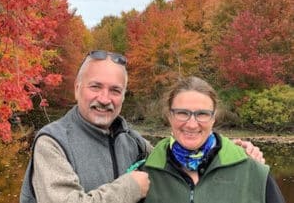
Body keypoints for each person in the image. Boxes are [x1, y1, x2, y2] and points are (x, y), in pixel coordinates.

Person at [20, 50, 265, 203]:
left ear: (124, 96)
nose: (105, 99)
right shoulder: (52, 143)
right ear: (77, 88)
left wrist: (228, 153)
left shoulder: (131, 140)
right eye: (95, 87)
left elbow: (175, 156)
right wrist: (129, 188)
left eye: (115, 90)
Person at [139, 76, 285, 203]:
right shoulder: (145, 174)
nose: (191, 124)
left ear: (213, 118)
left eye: (202, 114)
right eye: (182, 113)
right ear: (169, 116)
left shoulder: (253, 172)